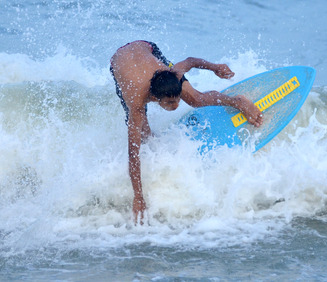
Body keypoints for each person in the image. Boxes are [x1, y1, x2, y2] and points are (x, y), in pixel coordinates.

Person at [110, 40, 263, 224]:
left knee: (196, 99)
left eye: (176, 101)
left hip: (146, 47)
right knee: (141, 135)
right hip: (119, 64)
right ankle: (151, 139)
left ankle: (237, 101)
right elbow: (133, 155)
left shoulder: (173, 74)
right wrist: (138, 197)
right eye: (169, 103)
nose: (175, 106)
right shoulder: (136, 103)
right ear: (154, 98)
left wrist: (215, 67)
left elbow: (190, 61)